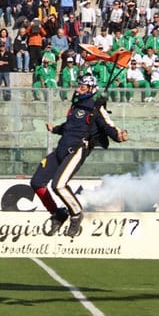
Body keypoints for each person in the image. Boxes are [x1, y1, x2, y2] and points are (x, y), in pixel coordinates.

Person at [30, 74, 128, 237]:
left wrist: (119, 136)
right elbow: (69, 127)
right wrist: (55, 129)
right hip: (61, 149)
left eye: (82, 86)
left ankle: (76, 214)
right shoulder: (76, 106)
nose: (78, 89)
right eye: (79, 85)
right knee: (37, 182)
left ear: (90, 89)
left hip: (77, 150)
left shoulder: (96, 108)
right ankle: (57, 213)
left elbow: (108, 127)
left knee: (58, 185)